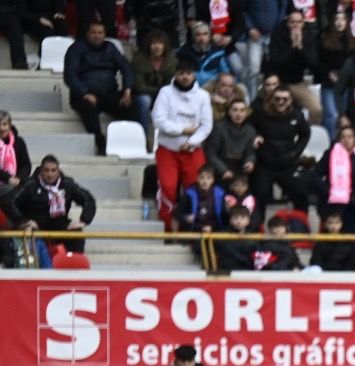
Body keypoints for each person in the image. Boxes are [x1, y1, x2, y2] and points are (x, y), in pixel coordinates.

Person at [151, 60, 212, 229]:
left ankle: (193, 227)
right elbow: (158, 120)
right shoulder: (165, 92)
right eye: (181, 73)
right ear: (176, 74)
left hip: (193, 151)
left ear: (194, 75)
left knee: (195, 189)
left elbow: (206, 125)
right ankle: (168, 226)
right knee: (168, 188)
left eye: (188, 73)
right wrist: (182, 130)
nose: (185, 77)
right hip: (167, 150)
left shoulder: (203, 96)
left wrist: (191, 141)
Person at [64, 21, 134, 152]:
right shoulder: (76, 48)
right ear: (87, 34)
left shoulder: (111, 48)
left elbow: (126, 68)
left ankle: (130, 140)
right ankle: (100, 142)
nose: (97, 36)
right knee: (88, 109)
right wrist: (84, 93)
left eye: (100, 33)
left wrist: (127, 89)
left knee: (130, 104)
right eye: (93, 32)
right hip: (83, 96)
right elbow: (70, 75)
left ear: (105, 34)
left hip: (108, 93)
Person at [15, 155, 95, 252]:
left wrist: (84, 220)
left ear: (58, 170)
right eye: (46, 170)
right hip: (36, 225)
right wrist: (24, 221)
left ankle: (74, 263)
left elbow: (88, 199)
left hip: (59, 224)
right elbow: (12, 203)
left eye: (53, 170)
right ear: (41, 171)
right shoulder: (29, 184)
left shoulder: (67, 184)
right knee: (27, 233)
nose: (50, 174)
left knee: (76, 233)